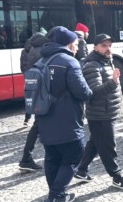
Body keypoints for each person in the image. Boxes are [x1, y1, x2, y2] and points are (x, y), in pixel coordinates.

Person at [37, 27, 92, 202]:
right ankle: (56, 196)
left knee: (52, 159)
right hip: (67, 122)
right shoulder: (70, 62)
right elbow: (82, 92)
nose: (77, 48)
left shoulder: (41, 61)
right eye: (75, 44)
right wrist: (92, 93)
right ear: (69, 44)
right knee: (73, 157)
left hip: (44, 120)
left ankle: (56, 194)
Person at [74, 33, 123, 190]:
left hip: (107, 112)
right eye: (104, 45)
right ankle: (117, 176)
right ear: (95, 47)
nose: (108, 48)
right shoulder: (92, 65)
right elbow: (93, 91)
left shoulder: (108, 60)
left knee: (95, 142)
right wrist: (113, 82)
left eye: (109, 45)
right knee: (107, 146)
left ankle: (81, 170)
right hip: (100, 114)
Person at [18, 30, 51, 172]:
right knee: (39, 125)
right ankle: (26, 158)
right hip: (43, 90)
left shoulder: (29, 48)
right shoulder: (44, 48)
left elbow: (24, 68)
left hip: (33, 86)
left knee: (39, 125)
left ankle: (27, 158)